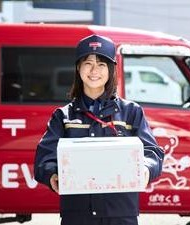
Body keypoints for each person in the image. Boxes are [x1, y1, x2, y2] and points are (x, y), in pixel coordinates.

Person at [34, 34, 164, 225]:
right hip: (77, 215)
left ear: (111, 70)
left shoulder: (131, 113)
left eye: (102, 64)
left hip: (121, 214)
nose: (94, 70)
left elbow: (152, 153)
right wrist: (52, 173)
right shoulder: (63, 117)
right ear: (78, 68)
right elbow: (44, 157)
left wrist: (145, 169)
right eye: (88, 63)